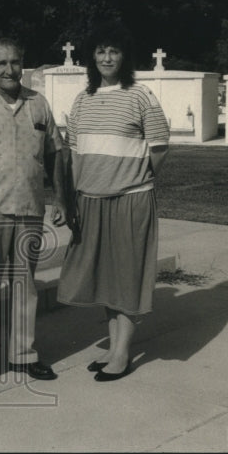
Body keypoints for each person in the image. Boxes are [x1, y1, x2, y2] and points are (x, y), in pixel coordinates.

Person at [56, 21, 169, 381]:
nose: (107, 57)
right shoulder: (82, 99)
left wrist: (132, 178)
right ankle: (114, 349)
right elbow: (75, 154)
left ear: (125, 56)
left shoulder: (141, 95)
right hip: (90, 200)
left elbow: (160, 147)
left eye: (114, 51)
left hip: (129, 200)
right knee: (106, 278)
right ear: (92, 56)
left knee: (126, 278)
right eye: (101, 50)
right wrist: (71, 197)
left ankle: (120, 354)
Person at [0, 38, 67, 385]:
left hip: (30, 207)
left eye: (15, 62)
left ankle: (23, 355)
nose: (9, 70)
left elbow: (55, 154)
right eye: (1, 63)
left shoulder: (38, 104)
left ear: (23, 65)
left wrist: (61, 199)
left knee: (24, 284)